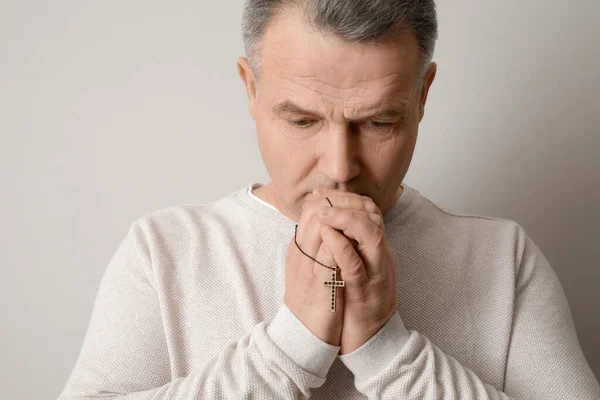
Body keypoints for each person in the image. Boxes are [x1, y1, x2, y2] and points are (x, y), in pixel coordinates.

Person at [58, 1, 600, 399]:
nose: (340, 167)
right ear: (251, 89)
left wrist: (388, 349)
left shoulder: (502, 259)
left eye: (379, 121)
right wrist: (289, 346)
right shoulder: (164, 253)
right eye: (302, 120)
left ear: (422, 96)